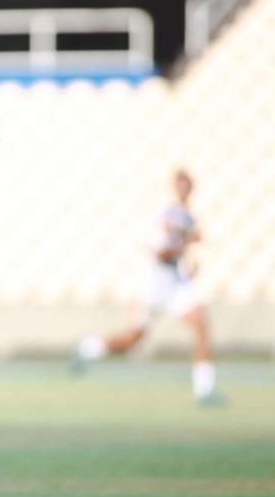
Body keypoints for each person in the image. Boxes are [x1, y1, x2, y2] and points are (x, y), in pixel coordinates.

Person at [71, 169, 223, 405]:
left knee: (202, 326)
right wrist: (185, 240)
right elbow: (161, 254)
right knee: (133, 339)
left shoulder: (189, 218)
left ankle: (204, 390)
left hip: (175, 283)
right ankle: (89, 348)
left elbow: (181, 253)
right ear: (175, 187)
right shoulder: (165, 215)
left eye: (188, 186)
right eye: (181, 185)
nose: (184, 190)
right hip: (153, 285)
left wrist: (190, 267)